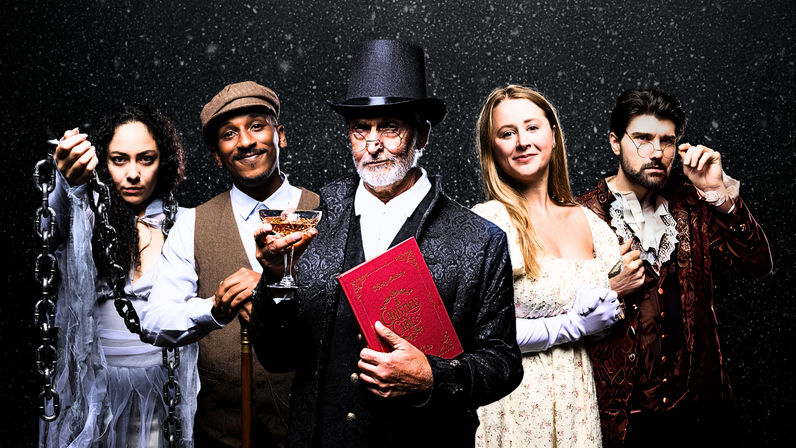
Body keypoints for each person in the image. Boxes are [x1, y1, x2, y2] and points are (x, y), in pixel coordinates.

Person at [246, 40, 523, 448]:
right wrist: (274, 277)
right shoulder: (314, 219)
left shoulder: (479, 241)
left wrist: (433, 377)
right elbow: (276, 356)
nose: (373, 145)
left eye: (390, 127)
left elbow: (503, 364)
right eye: (361, 130)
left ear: (422, 134)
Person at [577, 87, 773, 447]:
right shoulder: (581, 215)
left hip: (698, 413)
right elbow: (558, 315)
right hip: (620, 422)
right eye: (642, 138)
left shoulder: (691, 204)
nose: (656, 152)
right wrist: (608, 288)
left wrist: (719, 194)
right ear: (614, 143)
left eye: (667, 141)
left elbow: (757, 263)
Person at [140, 81, 320, 447]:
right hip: (220, 437)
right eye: (228, 134)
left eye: (257, 125)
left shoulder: (327, 211)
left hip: (309, 432)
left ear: (280, 135)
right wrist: (214, 309)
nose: (246, 142)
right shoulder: (191, 223)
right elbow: (155, 323)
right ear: (217, 155)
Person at [470, 85, 623, 447]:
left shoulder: (591, 223)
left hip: (577, 401)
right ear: (493, 149)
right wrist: (570, 325)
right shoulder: (488, 223)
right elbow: (477, 336)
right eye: (507, 133)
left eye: (532, 127)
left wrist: (607, 309)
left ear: (553, 135)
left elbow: (607, 324)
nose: (522, 141)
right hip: (514, 404)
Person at [39, 104, 199, 448]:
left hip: (162, 387)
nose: (133, 174)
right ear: (102, 162)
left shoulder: (184, 223)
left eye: (146, 159)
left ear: (164, 161)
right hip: (96, 388)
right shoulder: (85, 218)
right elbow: (49, 226)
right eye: (119, 159)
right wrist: (68, 182)